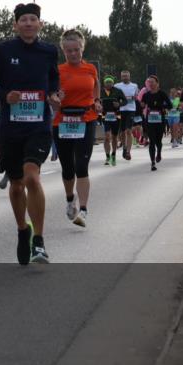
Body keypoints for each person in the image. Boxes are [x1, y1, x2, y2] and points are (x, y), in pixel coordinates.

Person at [0, 3, 59, 264]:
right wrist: (6, 95)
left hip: (38, 126)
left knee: (31, 178)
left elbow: (54, 81)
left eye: (33, 19)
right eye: (23, 20)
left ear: (40, 24)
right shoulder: (4, 51)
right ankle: (22, 229)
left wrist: (53, 95)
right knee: (16, 185)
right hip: (10, 128)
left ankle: (39, 240)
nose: (28, 23)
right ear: (16, 25)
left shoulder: (49, 50)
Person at [53, 29, 100, 228]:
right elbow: (51, 99)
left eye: (76, 50)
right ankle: (69, 198)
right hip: (62, 121)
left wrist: (97, 101)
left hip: (86, 119)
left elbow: (95, 86)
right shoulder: (57, 71)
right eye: (68, 51)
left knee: (82, 165)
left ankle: (83, 210)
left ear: (82, 49)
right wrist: (56, 98)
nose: (73, 54)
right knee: (68, 168)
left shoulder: (90, 69)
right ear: (63, 51)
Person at [140, 76, 172, 171]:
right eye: (149, 82)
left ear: (157, 83)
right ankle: (153, 162)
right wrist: (141, 105)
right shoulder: (146, 95)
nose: (151, 84)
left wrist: (161, 106)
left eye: (153, 82)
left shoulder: (162, 94)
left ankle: (159, 153)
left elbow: (170, 105)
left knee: (158, 141)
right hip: (149, 121)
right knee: (152, 141)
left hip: (160, 120)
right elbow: (142, 104)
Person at [99, 76, 126, 166]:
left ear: (113, 83)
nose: (108, 84)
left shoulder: (118, 91)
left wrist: (119, 104)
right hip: (105, 116)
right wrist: (99, 105)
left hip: (116, 116)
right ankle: (107, 157)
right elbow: (95, 100)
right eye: (107, 82)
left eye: (110, 82)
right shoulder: (101, 92)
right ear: (104, 83)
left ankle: (113, 154)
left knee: (114, 137)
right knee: (107, 136)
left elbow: (125, 101)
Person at [114, 71, 139, 161]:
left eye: (126, 76)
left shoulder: (134, 86)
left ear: (129, 76)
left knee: (129, 131)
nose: (125, 77)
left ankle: (128, 151)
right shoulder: (117, 86)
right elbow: (115, 96)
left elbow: (137, 97)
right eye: (123, 76)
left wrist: (133, 98)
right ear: (121, 77)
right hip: (121, 110)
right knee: (122, 132)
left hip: (131, 110)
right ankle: (124, 147)